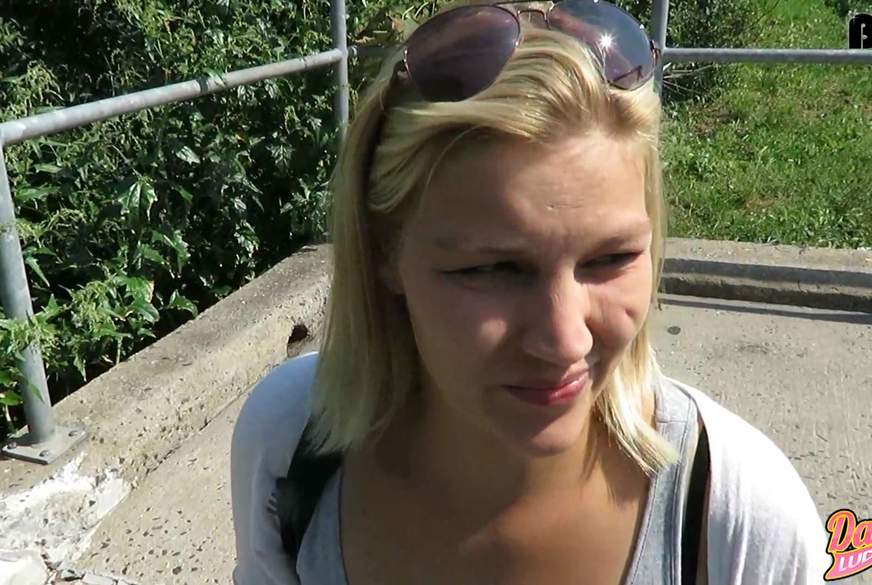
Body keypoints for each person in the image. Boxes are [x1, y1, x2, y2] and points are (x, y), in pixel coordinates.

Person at [231, 2, 830, 583]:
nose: (564, 341)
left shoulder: (740, 521)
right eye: (493, 269)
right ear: (384, 251)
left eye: (612, 258)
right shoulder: (290, 443)